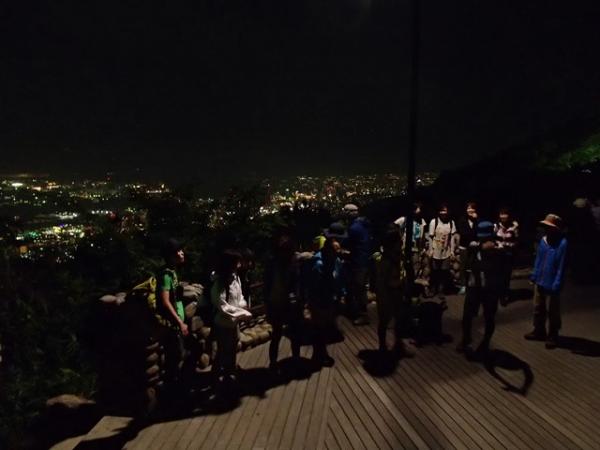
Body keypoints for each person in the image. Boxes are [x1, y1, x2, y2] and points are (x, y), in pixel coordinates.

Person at [456, 221, 504, 357]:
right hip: (474, 286)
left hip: (490, 289)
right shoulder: (476, 246)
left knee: (489, 317)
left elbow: (500, 269)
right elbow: (470, 248)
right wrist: (479, 247)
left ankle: (485, 343)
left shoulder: (497, 249)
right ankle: (466, 339)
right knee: (467, 315)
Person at [525, 214, 568, 349]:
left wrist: (557, 282)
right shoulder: (543, 241)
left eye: (550, 227)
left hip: (552, 281)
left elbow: (561, 265)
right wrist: (534, 275)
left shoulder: (562, 243)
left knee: (553, 310)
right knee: (538, 307)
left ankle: (553, 334)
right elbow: (538, 259)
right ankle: (539, 330)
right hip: (540, 280)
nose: (547, 229)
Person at [211, 249, 252, 384]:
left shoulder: (235, 278)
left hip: (234, 322)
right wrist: (243, 313)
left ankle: (230, 374)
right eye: (237, 261)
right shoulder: (219, 282)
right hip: (223, 324)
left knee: (233, 348)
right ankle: (216, 377)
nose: (240, 263)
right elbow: (222, 305)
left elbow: (239, 297)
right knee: (223, 351)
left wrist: (243, 306)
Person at [375, 227, 416, 357]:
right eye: (399, 241)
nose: (401, 243)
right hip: (386, 295)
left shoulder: (395, 257)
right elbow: (387, 281)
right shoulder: (386, 261)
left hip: (394, 294)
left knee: (397, 319)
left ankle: (397, 344)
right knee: (384, 321)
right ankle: (382, 346)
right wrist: (401, 283)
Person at [264, 235, 302, 371]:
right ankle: (273, 363)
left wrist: (295, 297)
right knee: (277, 335)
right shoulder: (272, 263)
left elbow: (296, 283)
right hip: (276, 303)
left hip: (290, 304)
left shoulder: (293, 263)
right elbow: (267, 286)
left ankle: (296, 360)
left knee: (294, 334)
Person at [156, 238, 189, 387]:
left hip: (176, 324)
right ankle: (173, 392)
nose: (182, 253)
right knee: (175, 359)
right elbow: (165, 301)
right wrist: (179, 322)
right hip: (173, 325)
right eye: (178, 251)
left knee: (179, 357)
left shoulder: (173, 272)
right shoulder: (166, 275)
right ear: (170, 256)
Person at [307, 237, 341, 367]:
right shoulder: (319, 265)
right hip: (319, 300)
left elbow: (337, 278)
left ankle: (320, 354)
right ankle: (319, 356)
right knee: (319, 329)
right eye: (335, 250)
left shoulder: (334, 261)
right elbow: (314, 286)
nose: (338, 252)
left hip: (328, 298)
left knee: (324, 328)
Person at [343, 203, 372, 325]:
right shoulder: (362, 225)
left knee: (359, 288)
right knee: (360, 287)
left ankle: (363, 315)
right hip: (364, 259)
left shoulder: (354, 228)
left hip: (358, 261)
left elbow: (347, 243)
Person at [427, 204, 457, 299]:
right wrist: (430, 250)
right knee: (435, 270)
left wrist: (452, 251)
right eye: (442, 211)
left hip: (446, 251)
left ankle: (441, 290)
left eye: (445, 211)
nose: (443, 213)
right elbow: (431, 237)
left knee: (444, 271)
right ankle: (433, 289)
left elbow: (452, 238)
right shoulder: (434, 222)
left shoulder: (451, 223)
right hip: (435, 250)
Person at [494, 207, 519, 304]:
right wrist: (498, 246)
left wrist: (510, 246)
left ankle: (505, 294)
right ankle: (499, 294)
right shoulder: (496, 225)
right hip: (498, 254)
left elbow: (516, 240)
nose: (503, 216)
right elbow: (493, 238)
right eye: (501, 214)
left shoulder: (514, 226)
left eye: (505, 214)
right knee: (498, 275)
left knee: (506, 275)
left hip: (508, 254)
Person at [456, 202, 479, 295]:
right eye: (468, 208)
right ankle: (463, 286)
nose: (470, 210)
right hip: (464, 246)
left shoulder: (477, 220)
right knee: (463, 267)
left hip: (475, 246)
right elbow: (463, 233)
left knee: (473, 266)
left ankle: (471, 285)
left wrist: (476, 220)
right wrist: (471, 241)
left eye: (472, 208)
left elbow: (478, 231)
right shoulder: (462, 220)